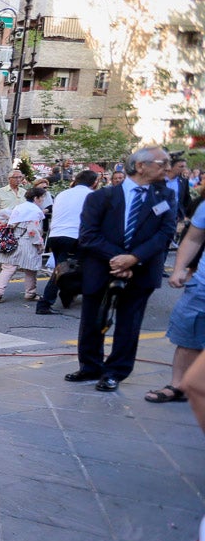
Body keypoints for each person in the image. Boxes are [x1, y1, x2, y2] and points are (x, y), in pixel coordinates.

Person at [66, 146, 178, 392]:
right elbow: (88, 235)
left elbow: (165, 233)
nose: (168, 168)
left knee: (129, 323)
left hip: (143, 269)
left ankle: (115, 371)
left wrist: (134, 258)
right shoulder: (100, 197)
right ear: (141, 166)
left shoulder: (165, 197)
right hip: (102, 267)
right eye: (163, 163)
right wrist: (118, 259)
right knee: (92, 320)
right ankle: (90, 366)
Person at [145, 198, 205, 403]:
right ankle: (178, 385)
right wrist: (179, 268)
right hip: (202, 285)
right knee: (188, 335)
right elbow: (194, 239)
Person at [36, 169, 97, 315]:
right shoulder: (92, 195)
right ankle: (52, 300)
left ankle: (63, 295)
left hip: (56, 235)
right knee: (76, 268)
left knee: (61, 269)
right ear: (95, 183)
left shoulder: (63, 194)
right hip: (75, 236)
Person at [0, 187, 46, 303]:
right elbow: (33, 230)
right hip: (28, 243)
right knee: (30, 270)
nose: (42, 200)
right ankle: (30, 293)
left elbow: (1, 214)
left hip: (13, 241)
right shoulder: (35, 211)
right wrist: (39, 244)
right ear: (36, 198)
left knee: (7, 269)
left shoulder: (18, 207)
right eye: (42, 198)